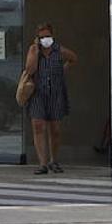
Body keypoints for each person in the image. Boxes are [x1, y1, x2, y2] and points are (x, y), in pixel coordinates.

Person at [24, 22, 78, 175]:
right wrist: (35, 50)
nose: (45, 39)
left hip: (55, 92)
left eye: (47, 36)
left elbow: (73, 58)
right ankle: (42, 163)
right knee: (38, 126)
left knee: (55, 128)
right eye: (42, 37)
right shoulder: (34, 50)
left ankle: (54, 160)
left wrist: (63, 70)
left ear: (52, 36)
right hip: (38, 93)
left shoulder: (58, 50)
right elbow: (29, 69)